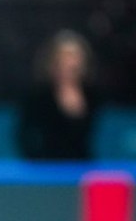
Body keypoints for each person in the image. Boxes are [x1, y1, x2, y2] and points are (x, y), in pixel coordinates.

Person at [16, 29, 99, 161]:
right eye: (65, 56)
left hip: (81, 165)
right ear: (53, 61)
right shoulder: (36, 96)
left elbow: (91, 136)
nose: (70, 62)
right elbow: (24, 136)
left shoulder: (93, 95)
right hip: (45, 167)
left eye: (75, 57)